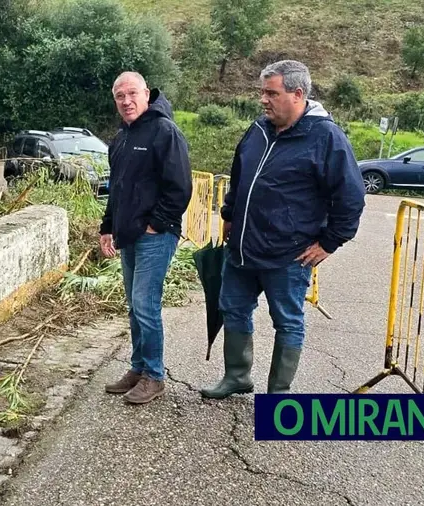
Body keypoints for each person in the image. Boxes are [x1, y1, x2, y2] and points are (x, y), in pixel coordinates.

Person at [200, 60, 366, 399]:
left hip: (288, 255)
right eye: (262, 92)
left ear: (298, 94)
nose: (263, 100)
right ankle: (237, 376)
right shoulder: (258, 130)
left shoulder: (326, 137)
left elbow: (351, 195)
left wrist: (330, 242)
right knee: (233, 308)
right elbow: (239, 174)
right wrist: (230, 214)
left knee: (287, 321)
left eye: (272, 93)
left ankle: (279, 393)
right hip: (243, 248)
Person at [99, 71, 192, 405]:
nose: (126, 101)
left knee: (145, 303)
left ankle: (154, 375)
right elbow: (117, 189)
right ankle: (137, 368)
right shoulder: (122, 137)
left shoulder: (165, 131)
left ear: (147, 95)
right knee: (134, 306)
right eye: (120, 96)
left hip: (155, 236)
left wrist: (157, 223)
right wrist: (107, 226)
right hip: (128, 234)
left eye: (132, 94)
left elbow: (180, 186)